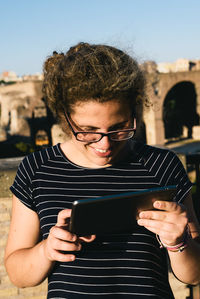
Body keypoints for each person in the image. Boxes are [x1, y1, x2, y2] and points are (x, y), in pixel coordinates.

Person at [4, 42, 200, 299]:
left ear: (134, 111)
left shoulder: (163, 165)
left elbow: (194, 275)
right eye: (88, 130)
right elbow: (18, 275)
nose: (105, 144)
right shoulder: (36, 170)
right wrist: (46, 250)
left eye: (119, 127)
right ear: (65, 118)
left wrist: (179, 243)